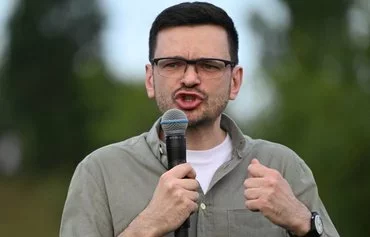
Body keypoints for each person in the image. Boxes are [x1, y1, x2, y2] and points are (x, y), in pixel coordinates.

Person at [60, 2, 339, 237]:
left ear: (235, 81)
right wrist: (146, 226)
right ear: (150, 78)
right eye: (172, 64)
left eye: (209, 65)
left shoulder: (283, 167)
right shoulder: (100, 173)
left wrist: (303, 223)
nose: (190, 78)